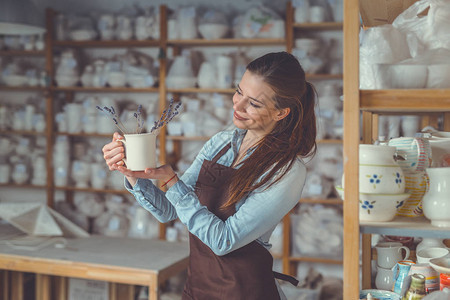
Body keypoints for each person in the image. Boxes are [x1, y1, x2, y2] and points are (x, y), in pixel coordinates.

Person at [102, 51, 317, 300]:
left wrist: (172, 181)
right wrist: (133, 174)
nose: (237, 105)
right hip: (198, 287)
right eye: (239, 92)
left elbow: (223, 240)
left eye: (254, 103)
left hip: (244, 292)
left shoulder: (286, 170)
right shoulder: (222, 143)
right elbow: (168, 211)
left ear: (281, 113)